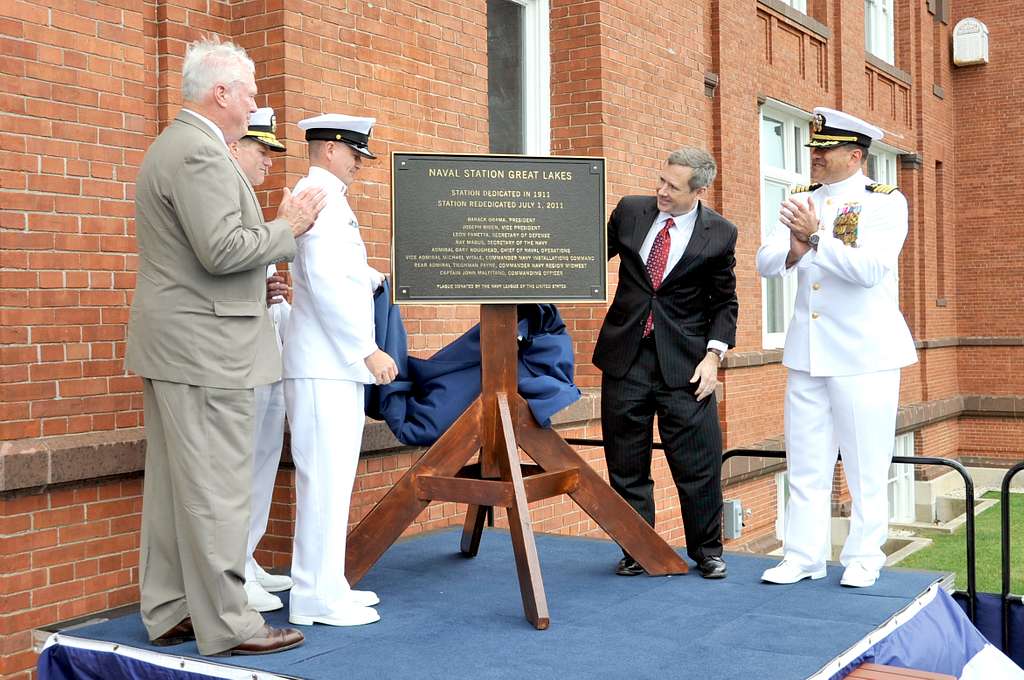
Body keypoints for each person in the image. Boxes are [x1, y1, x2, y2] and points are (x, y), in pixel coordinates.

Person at [125, 37, 326, 656]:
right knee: (216, 490)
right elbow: (223, 250)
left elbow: (205, 253)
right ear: (222, 93)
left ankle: (172, 609)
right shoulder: (201, 155)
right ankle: (230, 622)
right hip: (207, 349)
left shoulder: (180, 145)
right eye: (250, 91)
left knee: (171, 490)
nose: (255, 100)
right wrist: (287, 226)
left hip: (182, 345)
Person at [756, 107, 917, 588]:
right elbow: (767, 261)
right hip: (808, 353)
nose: (816, 159)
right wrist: (796, 248)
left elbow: (869, 271)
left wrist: (816, 239)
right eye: (815, 150)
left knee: (866, 464)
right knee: (806, 462)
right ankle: (802, 555)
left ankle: (865, 557)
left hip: (865, 355)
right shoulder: (802, 197)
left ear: (854, 155)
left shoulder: (885, 202)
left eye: (825, 151)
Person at [593, 147, 738, 580]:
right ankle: (637, 548)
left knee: (698, 463)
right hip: (626, 357)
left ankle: (707, 551)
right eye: (660, 180)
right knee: (626, 462)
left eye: (672, 187)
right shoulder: (630, 212)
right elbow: (585, 257)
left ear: (698, 190)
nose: (661, 191)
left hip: (686, 367)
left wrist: (714, 357)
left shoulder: (720, 234)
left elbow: (725, 302)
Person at [282, 113, 397, 627]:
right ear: (330, 149)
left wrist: (375, 277)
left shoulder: (327, 196)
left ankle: (329, 585)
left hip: (331, 365)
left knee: (334, 482)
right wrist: (365, 349)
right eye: (354, 153)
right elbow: (324, 282)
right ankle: (313, 597)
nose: (358, 164)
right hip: (327, 363)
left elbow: (341, 272)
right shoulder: (320, 197)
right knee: (324, 483)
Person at [227, 107, 295, 612]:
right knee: (240, 464)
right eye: (261, 150)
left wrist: (267, 286)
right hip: (236, 355)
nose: (269, 161)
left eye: (273, 153)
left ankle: (246, 557)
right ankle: (231, 572)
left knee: (264, 457)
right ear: (234, 146)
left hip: (264, 341)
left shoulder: (250, 198)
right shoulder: (223, 193)